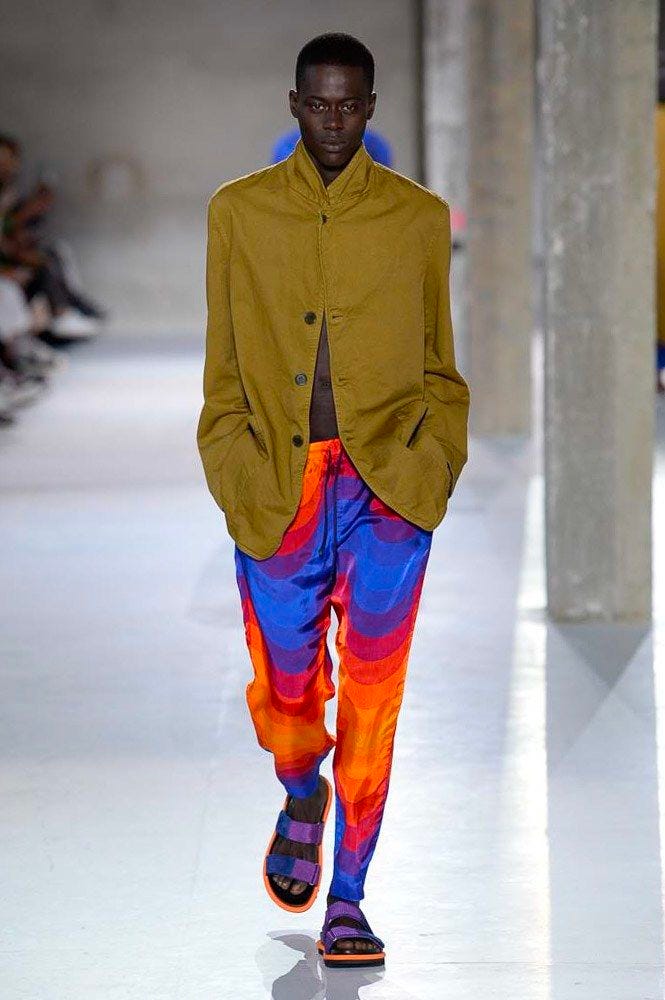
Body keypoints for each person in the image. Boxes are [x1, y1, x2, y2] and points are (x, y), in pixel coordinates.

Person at [197, 32, 470, 969]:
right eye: (317, 104)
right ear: (292, 102)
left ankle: (347, 897)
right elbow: (223, 365)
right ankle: (297, 785)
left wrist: (431, 468)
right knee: (284, 687)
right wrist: (231, 463)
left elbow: (440, 360)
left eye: (350, 105)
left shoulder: (415, 217)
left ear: (370, 105)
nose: (333, 121)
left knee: (374, 694)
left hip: (389, 485)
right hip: (276, 475)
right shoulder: (238, 213)